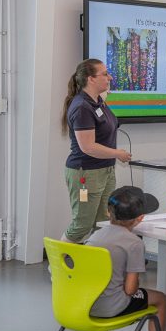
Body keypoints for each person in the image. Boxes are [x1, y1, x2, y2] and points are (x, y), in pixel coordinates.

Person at [85, 186, 166, 331]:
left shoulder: (95, 236)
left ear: (108, 212)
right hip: (112, 306)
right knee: (160, 298)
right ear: (140, 219)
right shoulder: (134, 243)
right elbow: (130, 290)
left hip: (87, 302)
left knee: (107, 287)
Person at [61, 59, 132, 243]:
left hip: (105, 171)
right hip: (86, 173)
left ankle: (93, 264)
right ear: (91, 79)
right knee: (82, 224)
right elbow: (88, 147)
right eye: (105, 74)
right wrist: (118, 154)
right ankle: (57, 265)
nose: (110, 77)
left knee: (103, 222)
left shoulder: (98, 101)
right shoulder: (82, 107)